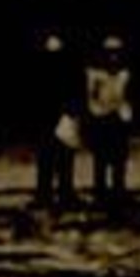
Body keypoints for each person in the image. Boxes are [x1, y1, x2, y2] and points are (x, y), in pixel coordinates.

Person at [31, 31, 81, 210]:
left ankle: (61, 192)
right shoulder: (45, 69)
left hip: (61, 115)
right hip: (47, 116)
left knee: (62, 157)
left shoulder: (67, 68)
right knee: (49, 158)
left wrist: (72, 111)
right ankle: (48, 193)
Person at [83, 33, 134, 206]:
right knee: (101, 157)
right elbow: (90, 97)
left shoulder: (125, 73)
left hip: (119, 118)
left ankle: (119, 189)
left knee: (120, 158)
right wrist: (95, 112)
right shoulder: (94, 74)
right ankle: (100, 191)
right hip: (101, 117)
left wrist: (126, 113)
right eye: (109, 52)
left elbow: (129, 95)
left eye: (117, 52)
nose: (113, 56)